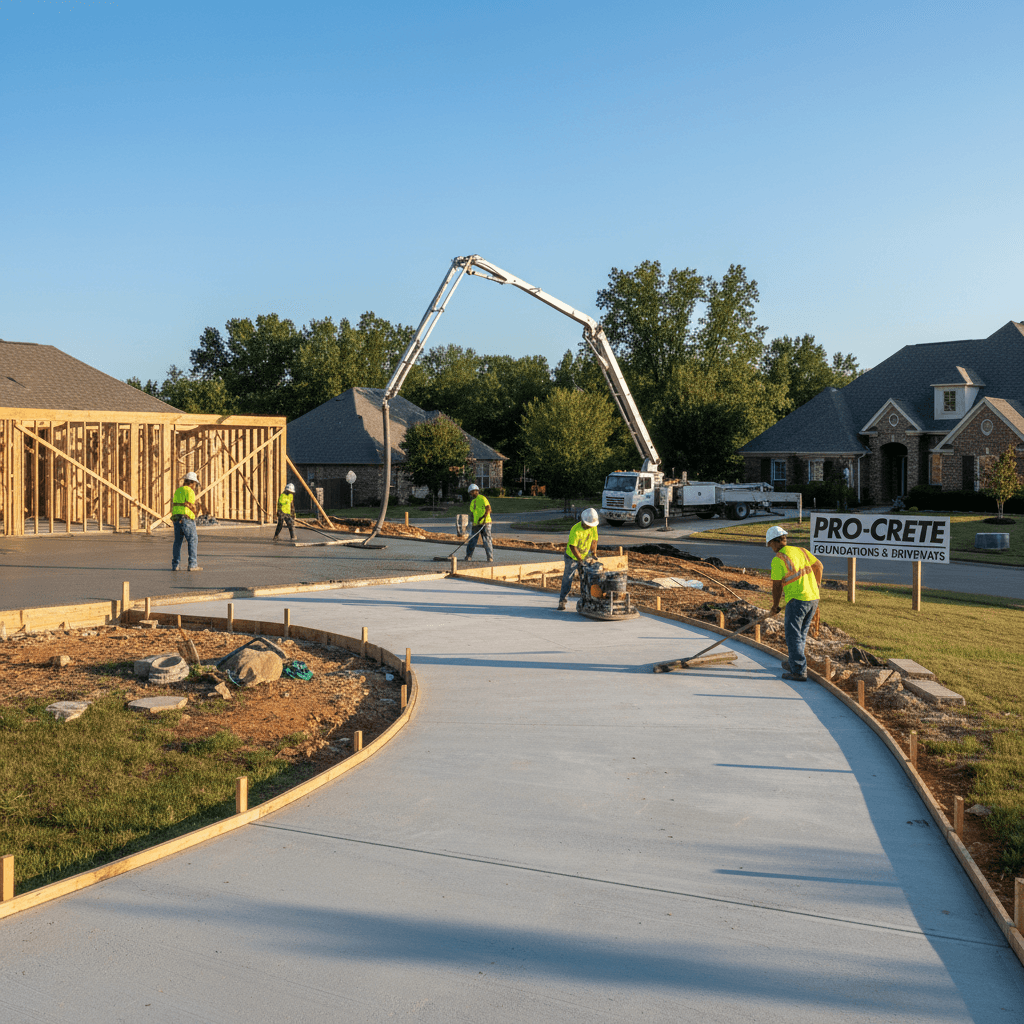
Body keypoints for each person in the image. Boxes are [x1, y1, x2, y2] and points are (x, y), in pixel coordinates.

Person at [766, 524, 823, 680]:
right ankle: (794, 663)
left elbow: (777, 586)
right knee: (801, 635)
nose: (770, 547)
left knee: (793, 636)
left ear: (775, 542)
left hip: (797, 600)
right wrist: (816, 586)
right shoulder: (801, 551)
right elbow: (819, 566)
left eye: (770, 544)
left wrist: (775, 606)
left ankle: (798, 671)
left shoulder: (778, 559)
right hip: (813, 599)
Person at [558, 507, 599, 610]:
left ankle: (586, 601)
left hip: (584, 557)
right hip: (571, 557)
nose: (590, 527)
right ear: (583, 521)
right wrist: (580, 559)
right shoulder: (575, 530)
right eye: (588, 525)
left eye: (591, 525)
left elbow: (594, 540)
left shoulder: (593, 527)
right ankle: (562, 601)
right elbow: (572, 547)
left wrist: (593, 553)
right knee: (567, 579)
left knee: (586, 579)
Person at [171, 471, 201, 571]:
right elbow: (190, 504)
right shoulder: (189, 491)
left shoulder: (178, 490)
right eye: (195, 484)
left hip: (176, 518)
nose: (195, 486)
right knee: (193, 540)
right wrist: (196, 511)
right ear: (192, 482)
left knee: (177, 542)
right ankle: (193, 565)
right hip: (186, 518)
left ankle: (175, 565)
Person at [465, 483, 493, 562]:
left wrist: (484, 516)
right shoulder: (472, 502)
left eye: (471, 492)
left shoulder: (482, 498)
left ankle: (490, 557)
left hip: (486, 523)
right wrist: (471, 523)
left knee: (487, 540)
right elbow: (473, 514)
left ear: (475, 491)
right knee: (472, 540)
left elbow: (488, 508)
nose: (470, 494)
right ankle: (468, 556)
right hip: (476, 524)